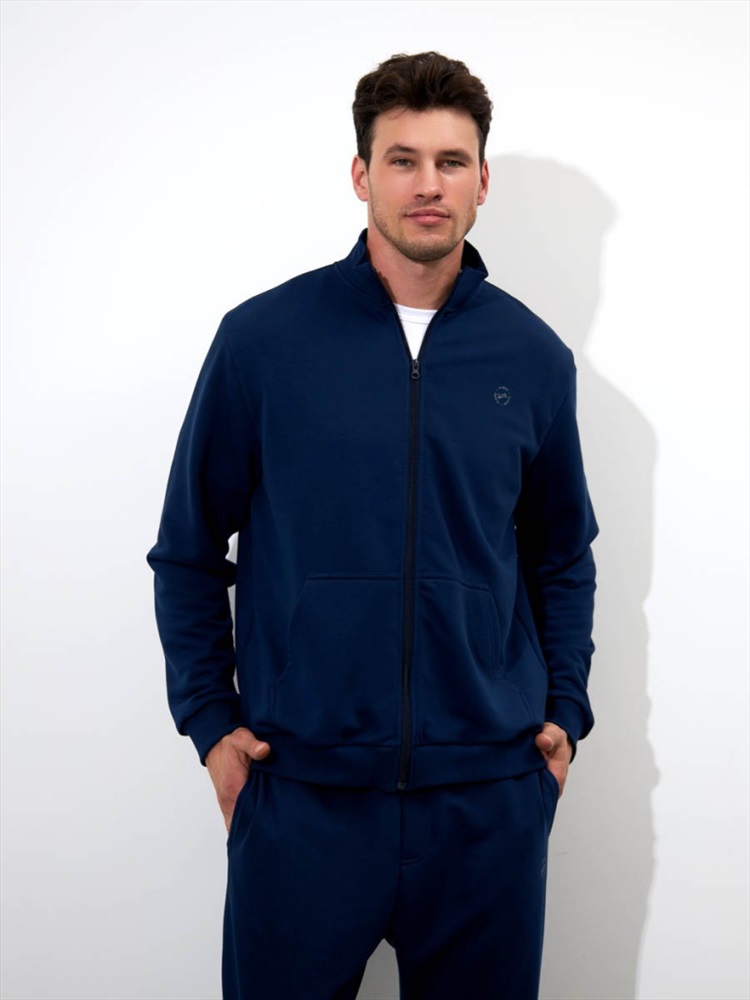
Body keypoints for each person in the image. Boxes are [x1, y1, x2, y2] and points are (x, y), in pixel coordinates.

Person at [147, 51, 598, 1000]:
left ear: (482, 180)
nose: (428, 184)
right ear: (361, 176)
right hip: (302, 797)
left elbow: (562, 557)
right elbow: (188, 551)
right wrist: (211, 724)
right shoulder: (263, 342)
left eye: (450, 161)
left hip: (485, 804)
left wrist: (565, 713)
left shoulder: (532, 358)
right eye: (402, 160)